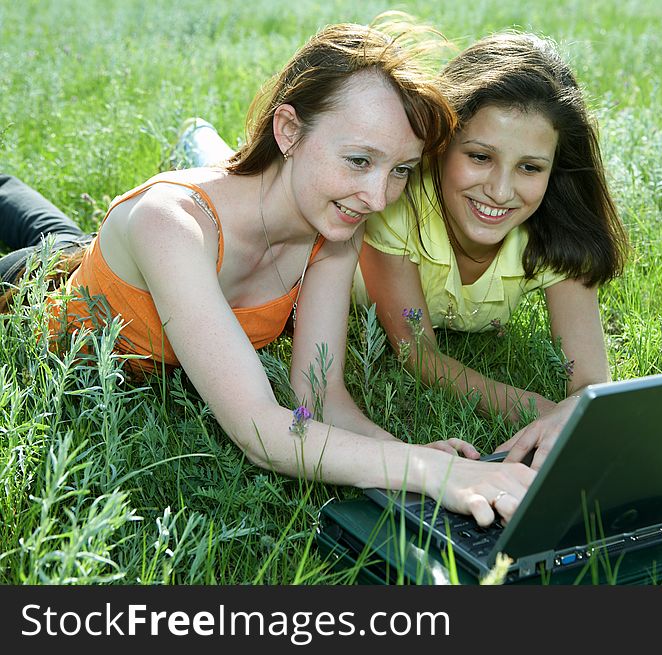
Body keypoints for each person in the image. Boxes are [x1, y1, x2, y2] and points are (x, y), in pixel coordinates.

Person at [0, 20, 535, 528]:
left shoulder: (338, 229)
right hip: (37, 287)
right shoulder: (171, 224)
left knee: (63, 233)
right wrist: (436, 473)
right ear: (288, 131)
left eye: (399, 171)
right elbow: (261, 430)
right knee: (52, 243)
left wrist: (405, 454)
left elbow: (318, 398)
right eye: (358, 161)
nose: (377, 197)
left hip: (133, 263)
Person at [355, 32, 629, 471]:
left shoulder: (556, 230)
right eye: (480, 157)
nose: (500, 191)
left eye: (529, 167)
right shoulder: (395, 202)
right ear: (442, 144)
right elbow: (419, 353)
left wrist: (576, 409)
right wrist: (545, 412)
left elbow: (589, 384)